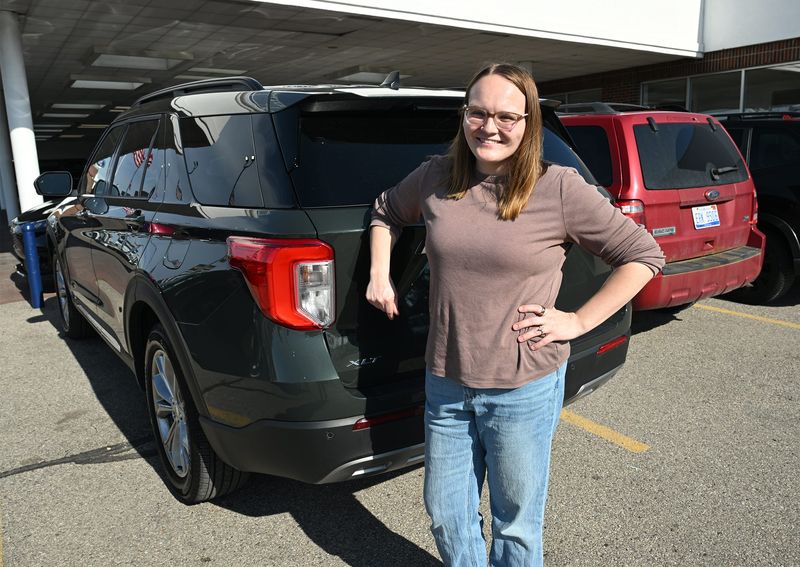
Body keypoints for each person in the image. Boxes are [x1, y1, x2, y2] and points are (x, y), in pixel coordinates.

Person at [366, 62, 665, 567]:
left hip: (522, 386)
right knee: (445, 511)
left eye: (507, 116)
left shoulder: (560, 188)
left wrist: (576, 321)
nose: (491, 127)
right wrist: (380, 274)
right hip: (446, 379)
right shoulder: (438, 176)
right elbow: (386, 212)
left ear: (528, 123)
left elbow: (644, 256)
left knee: (516, 525)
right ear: (464, 116)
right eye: (478, 113)